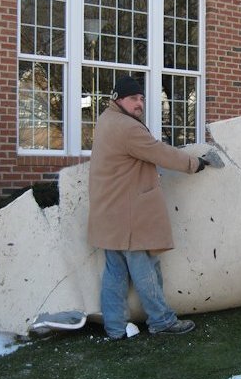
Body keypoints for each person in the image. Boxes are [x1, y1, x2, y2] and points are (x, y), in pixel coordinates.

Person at [87, 75, 208, 340]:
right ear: (117, 98)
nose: (139, 103)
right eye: (133, 98)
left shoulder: (107, 121)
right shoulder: (127, 128)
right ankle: (161, 320)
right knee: (145, 269)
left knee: (115, 272)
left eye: (141, 98)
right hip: (128, 215)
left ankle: (115, 328)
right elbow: (159, 152)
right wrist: (194, 163)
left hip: (110, 214)